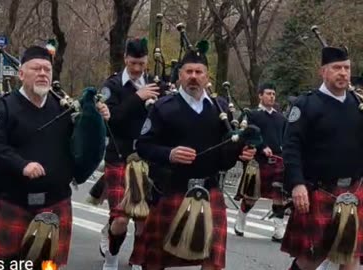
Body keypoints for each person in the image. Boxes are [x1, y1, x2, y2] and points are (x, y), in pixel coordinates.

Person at [0, 45, 109, 269]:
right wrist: (22, 165)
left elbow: (82, 143)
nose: (43, 74)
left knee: (50, 266)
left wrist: (96, 119)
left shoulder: (64, 108)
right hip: (14, 201)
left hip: (56, 202)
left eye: (47, 70)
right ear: (21, 74)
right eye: (36, 68)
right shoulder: (4, 108)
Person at [134, 46, 256, 270]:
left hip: (210, 192)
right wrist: (169, 154)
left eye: (199, 72)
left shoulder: (220, 111)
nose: (193, 77)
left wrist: (240, 153)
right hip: (171, 190)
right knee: (155, 261)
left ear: (207, 76)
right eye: (189, 72)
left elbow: (224, 156)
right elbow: (142, 146)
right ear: (180, 75)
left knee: (214, 261)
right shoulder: (163, 108)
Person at [282, 46, 363, 270]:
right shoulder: (306, 105)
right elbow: (291, 148)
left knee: (351, 258)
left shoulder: (357, 105)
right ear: (323, 72)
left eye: (346, 68)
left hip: (354, 192)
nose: (343, 73)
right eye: (337, 68)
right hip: (319, 191)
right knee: (311, 258)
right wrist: (297, 184)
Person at [96, 37, 159, 270]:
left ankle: (136, 260)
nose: (137, 69)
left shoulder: (154, 84)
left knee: (144, 220)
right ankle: (111, 258)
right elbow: (112, 120)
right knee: (121, 218)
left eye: (141, 64)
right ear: (125, 59)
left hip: (147, 160)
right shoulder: (111, 86)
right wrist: (137, 98)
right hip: (119, 157)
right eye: (133, 63)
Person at [234, 83, 288, 242]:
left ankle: (278, 229)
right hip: (258, 162)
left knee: (280, 195)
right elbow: (247, 134)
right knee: (252, 196)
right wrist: (262, 146)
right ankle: (241, 217)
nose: (272, 96)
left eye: (273, 94)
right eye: (268, 93)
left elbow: (286, 138)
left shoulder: (281, 118)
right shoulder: (252, 115)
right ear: (260, 95)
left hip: (278, 161)